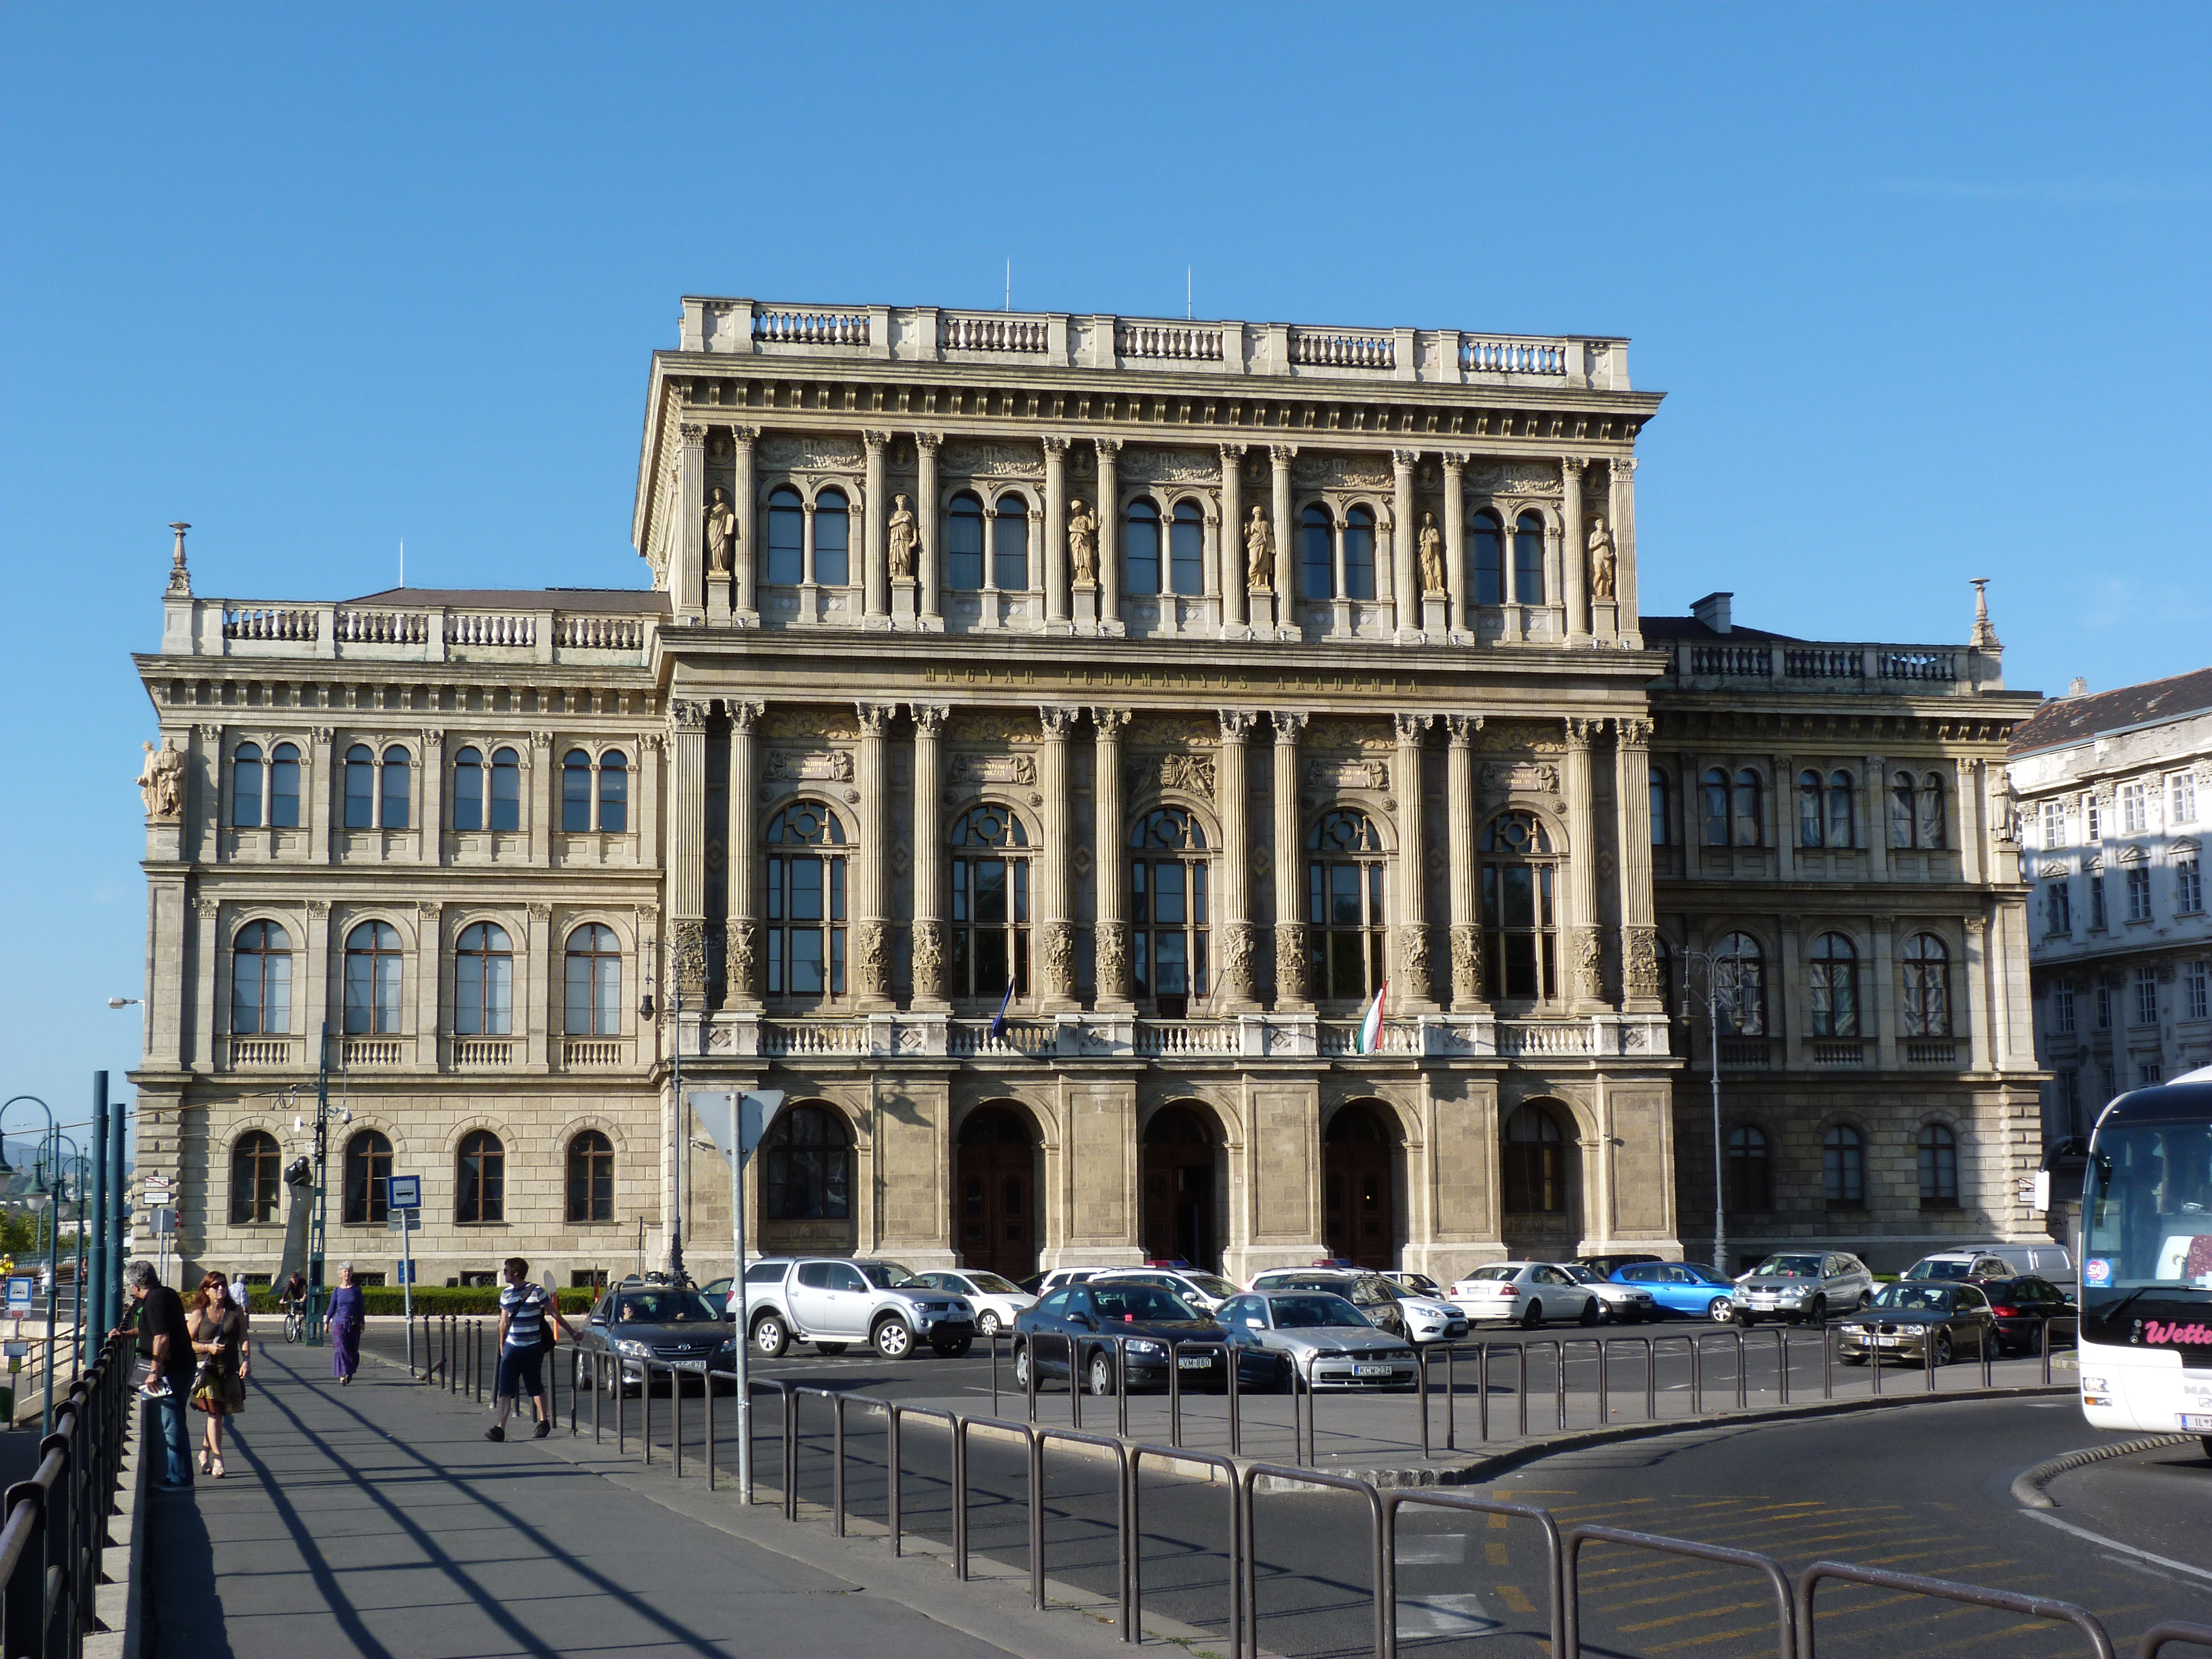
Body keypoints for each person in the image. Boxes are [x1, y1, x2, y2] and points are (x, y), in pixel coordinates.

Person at [485, 1257, 575, 1442]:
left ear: (516, 1272)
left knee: (534, 1386)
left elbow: (554, 1313)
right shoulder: (506, 1294)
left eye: (507, 1270)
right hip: (512, 1347)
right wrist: (503, 1345)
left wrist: (573, 1332)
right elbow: (504, 1323)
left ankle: (544, 1421)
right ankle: (500, 1427)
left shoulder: (536, 1292)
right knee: (506, 1389)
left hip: (532, 1347)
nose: (504, 1273)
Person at [126, 1262, 197, 1489]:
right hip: (183, 1366)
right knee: (174, 1421)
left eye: (130, 1285)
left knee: (172, 1423)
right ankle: (180, 1473)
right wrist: (125, 1335)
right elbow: (150, 1330)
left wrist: (154, 1371)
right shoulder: (165, 1294)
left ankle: (178, 1477)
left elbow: (162, 1336)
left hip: (172, 1370)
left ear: (136, 1285)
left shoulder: (154, 1302)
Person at [187, 1271, 249, 1477]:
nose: (220, 1288)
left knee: (219, 1414)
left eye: (223, 1285)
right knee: (215, 1413)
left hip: (230, 1368)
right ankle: (218, 1459)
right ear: (206, 1290)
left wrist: (247, 1361)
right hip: (207, 1370)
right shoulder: (200, 1314)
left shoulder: (235, 1312)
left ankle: (203, 1454)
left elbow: (244, 1337)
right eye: (215, 1286)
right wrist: (207, 1347)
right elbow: (187, 1343)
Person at [328, 1264, 365, 1384]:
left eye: (349, 1272)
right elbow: (332, 1307)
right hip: (339, 1322)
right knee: (340, 1349)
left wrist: (362, 1322)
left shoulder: (356, 1290)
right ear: (341, 1274)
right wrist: (327, 1321)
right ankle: (342, 1374)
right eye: (345, 1272)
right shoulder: (337, 1291)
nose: (347, 1274)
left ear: (352, 1274)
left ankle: (350, 1370)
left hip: (353, 1323)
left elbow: (360, 1307)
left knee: (352, 1351)